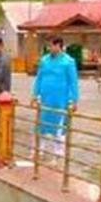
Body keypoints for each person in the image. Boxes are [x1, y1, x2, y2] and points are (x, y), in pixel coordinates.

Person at [32, 36, 79, 166]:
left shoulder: (68, 62)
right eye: (49, 45)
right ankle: (39, 151)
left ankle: (57, 154)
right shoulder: (44, 60)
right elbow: (39, 78)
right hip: (45, 98)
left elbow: (73, 82)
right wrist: (35, 94)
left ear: (59, 46)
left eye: (52, 45)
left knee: (58, 128)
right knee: (41, 125)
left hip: (60, 100)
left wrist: (74, 100)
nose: (50, 48)